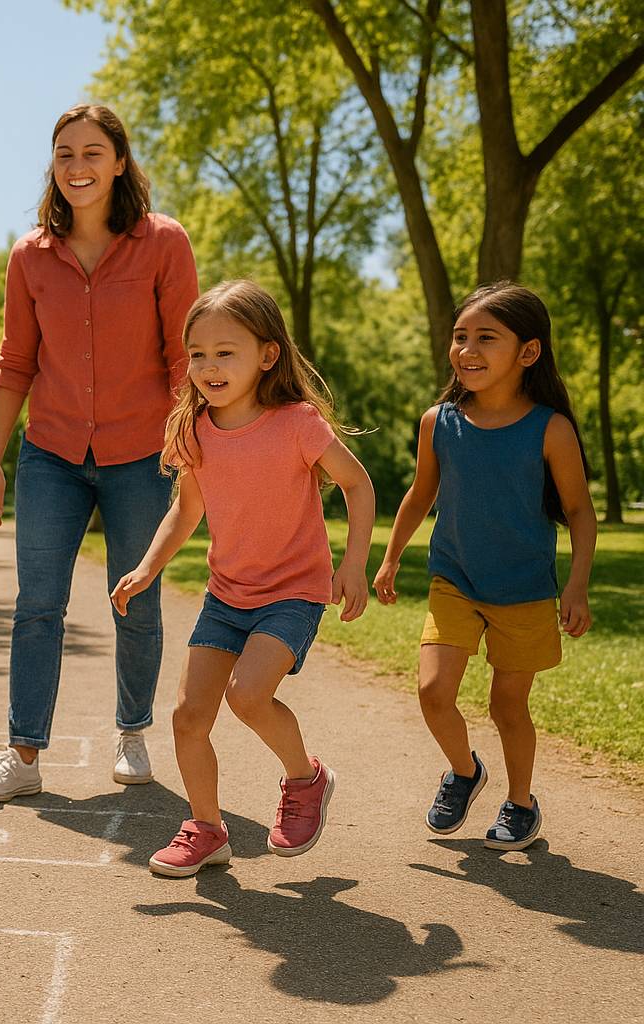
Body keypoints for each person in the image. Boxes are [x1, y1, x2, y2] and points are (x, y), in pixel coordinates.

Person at [0, 104, 198, 801]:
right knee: (37, 603)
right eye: (64, 154)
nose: (77, 166)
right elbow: (15, 363)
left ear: (120, 162)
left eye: (92, 152)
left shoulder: (163, 244)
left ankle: (131, 733)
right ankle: (23, 755)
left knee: (137, 599)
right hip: (52, 453)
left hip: (141, 454)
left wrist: (192, 448)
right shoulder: (30, 256)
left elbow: (181, 360)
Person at [111, 280, 375, 877]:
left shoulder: (298, 423)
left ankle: (306, 779)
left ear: (267, 354)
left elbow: (358, 485)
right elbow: (186, 509)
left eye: (225, 352)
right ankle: (206, 829)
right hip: (226, 596)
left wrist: (353, 562)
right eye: (197, 354)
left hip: (293, 593)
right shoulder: (195, 429)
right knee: (187, 718)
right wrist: (148, 567)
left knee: (249, 695)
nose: (208, 366)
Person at [373, 282, 594, 852]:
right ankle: (465, 771)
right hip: (456, 581)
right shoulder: (438, 421)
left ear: (528, 352)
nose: (467, 349)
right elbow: (421, 495)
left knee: (506, 706)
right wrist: (391, 557)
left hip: (524, 591)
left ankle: (521, 803)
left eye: (485, 339)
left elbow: (578, 510)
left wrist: (576, 586)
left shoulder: (550, 428)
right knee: (432, 691)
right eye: (460, 336)